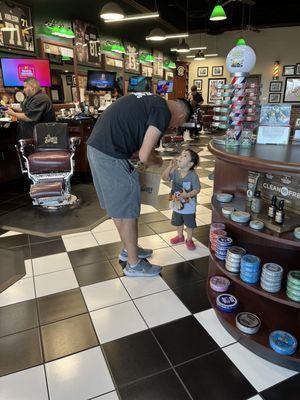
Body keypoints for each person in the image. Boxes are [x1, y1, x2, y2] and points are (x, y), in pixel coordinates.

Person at [87, 93, 193, 277]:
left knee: (120, 206)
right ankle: (134, 264)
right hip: (110, 154)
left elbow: (136, 141)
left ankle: (130, 249)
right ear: (181, 116)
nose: (171, 128)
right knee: (127, 209)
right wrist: (157, 161)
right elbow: (145, 156)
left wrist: (144, 154)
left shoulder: (152, 101)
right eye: (176, 126)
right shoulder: (163, 111)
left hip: (97, 149)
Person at [162, 149, 200, 250]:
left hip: (189, 205)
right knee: (178, 221)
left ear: (190, 164)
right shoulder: (175, 172)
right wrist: (170, 167)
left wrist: (187, 194)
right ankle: (180, 236)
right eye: (181, 154)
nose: (181, 157)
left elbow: (197, 189)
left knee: (189, 223)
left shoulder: (193, 176)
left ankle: (189, 239)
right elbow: (164, 178)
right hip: (176, 202)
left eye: (185, 156)